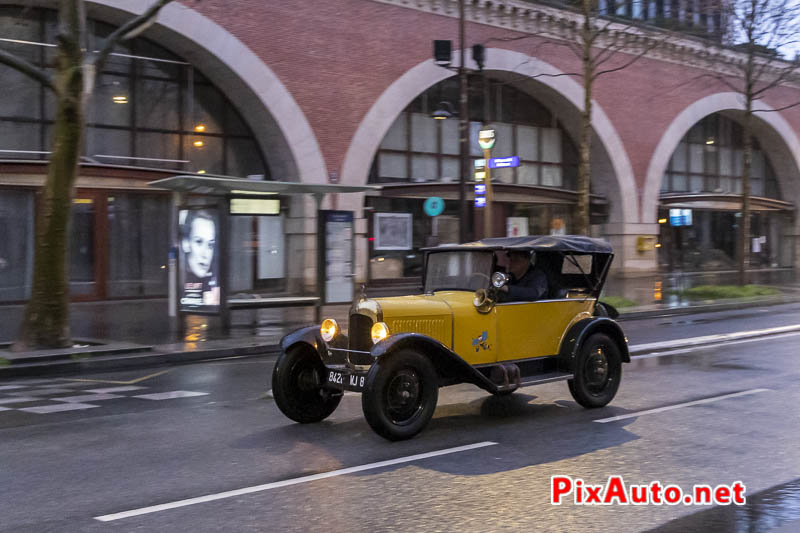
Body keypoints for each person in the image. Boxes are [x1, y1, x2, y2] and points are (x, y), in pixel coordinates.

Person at [181, 210, 219, 306]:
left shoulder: (214, 278)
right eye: (199, 242)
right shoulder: (178, 277)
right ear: (186, 244)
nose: (205, 254)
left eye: (210, 245)